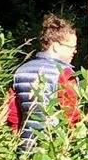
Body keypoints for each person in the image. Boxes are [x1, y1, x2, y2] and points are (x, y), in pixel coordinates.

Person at [7, 14, 82, 151]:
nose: (75, 52)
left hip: (24, 148)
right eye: (72, 47)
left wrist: (17, 146)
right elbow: (72, 116)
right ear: (56, 46)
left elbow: (13, 117)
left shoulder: (20, 71)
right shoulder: (64, 73)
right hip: (53, 149)